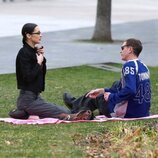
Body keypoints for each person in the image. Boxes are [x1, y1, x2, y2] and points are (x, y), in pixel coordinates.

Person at [9, 23, 92, 121]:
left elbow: (40, 75)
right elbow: (28, 77)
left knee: (64, 109)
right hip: (27, 100)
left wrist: (42, 60)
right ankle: (72, 117)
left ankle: (23, 112)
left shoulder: (33, 51)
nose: (41, 35)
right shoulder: (23, 53)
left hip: (36, 97)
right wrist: (39, 63)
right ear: (28, 35)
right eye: (38, 32)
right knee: (58, 112)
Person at [63, 38, 151, 118]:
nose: (121, 51)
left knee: (99, 97)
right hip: (142, 112)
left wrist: (111, 97)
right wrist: (104, 90)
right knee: (114, 85)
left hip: (128, 113)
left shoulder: (129, 66)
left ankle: (76, 107)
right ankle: (77, 104)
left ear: (130, 49)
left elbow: (130, 90)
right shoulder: (143, 66)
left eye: (122, 48)